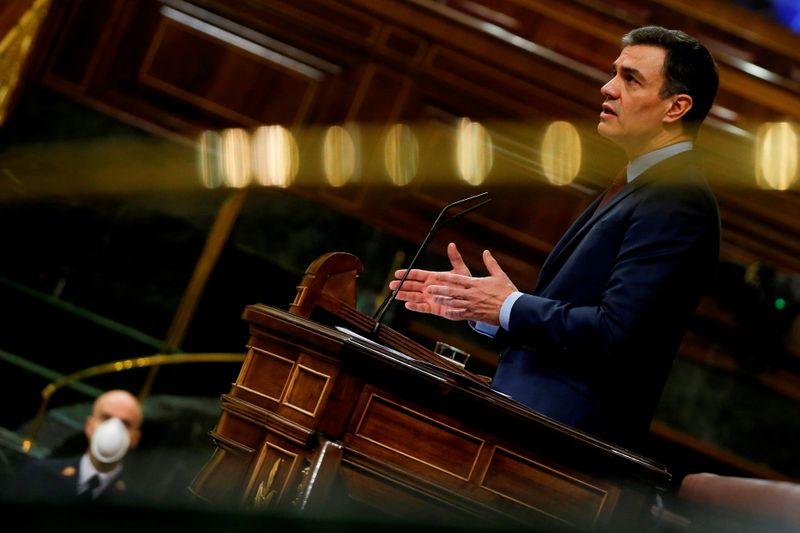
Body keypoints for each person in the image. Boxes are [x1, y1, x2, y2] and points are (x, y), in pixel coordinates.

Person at [390, 26, 721, 448]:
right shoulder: (642, 183)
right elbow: (578, 325)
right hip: (529, 423)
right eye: (614, 73)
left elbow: (616, 334)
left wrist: (511, 306)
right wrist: (490, 310)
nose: (608, 88)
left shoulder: (679, 200)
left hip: (562, 442)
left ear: (676, 107)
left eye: (630, 79)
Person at [11, 389, 143, 504]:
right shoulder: (39, 475)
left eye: (125, 424)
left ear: (135, 439)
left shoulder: (135, 505)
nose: (114, 429)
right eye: (106, 418)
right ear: (89, 426)